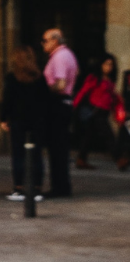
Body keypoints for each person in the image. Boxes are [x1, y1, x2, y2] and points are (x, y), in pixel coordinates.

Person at [1, 46, 50, 201]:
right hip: (37, 121)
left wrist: (3, 118)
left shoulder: (12, 78)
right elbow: (45, 101)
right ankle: (36, 188)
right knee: (36, 154)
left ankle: (19, 188)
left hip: (18, 120)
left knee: (18, 154)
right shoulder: (39, 78)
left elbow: (7, 100)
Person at [42, 28, 78, 197]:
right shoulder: (67, 54)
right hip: (64, 103)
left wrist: (44, 89)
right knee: (59, 147)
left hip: (58, 104)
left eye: (45, 40)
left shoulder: (60, 57)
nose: (43, 44)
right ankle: (62, 185)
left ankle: (60, 187)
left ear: (55, 40)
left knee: (56, 147)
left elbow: (61, 84)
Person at [73, 54, 126, 170]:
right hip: (95, 111)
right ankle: (119, 158)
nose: (109, 67)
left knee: (88, 136)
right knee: (108, 135)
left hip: (104, 111)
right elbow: (83, 91)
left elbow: (113, 100)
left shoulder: (110, 81)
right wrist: (74, 106)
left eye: (111, 64)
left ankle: (81, 159)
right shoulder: (94, 78)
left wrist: (118, 115)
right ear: (101, 65)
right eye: (106, 64)